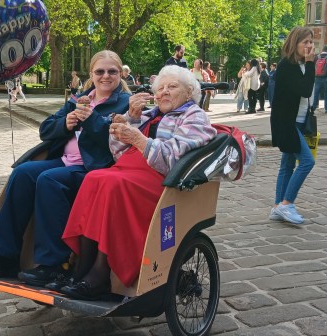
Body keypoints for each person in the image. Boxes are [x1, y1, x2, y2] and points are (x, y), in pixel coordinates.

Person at [58, 65, 217, 300]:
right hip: (131, 172)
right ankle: (84, 266)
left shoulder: (194, 116)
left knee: (112, 183)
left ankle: (101, 273)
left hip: (164, 182)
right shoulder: (149, 114)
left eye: (172, 87)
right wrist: (129, 122)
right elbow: (118, 153)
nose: (163, 92)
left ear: (189, 91)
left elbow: (173, 159)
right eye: (160, 88)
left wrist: (138, 139)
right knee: (94, 179)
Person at [0, 50, 131, 285]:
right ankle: (4, 255)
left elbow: (115, 140)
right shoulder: (80, 98)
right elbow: (45, 129)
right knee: (22, 173)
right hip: (65, 161)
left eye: (112, 71)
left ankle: (54, 264)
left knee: (50, 179)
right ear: (91, 74)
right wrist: (65, 124)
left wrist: (90, 120)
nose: (106, 76)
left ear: (121, 74)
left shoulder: (125, 103)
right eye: (100, 71)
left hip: (96, 168)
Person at [269, 26, 316, 225]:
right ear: (294, 43)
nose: (309, 46)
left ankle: (277, 206)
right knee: (307, 161)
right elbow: (305, 90)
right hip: (287, 123)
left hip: (297, 121)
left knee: (287, 165)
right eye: (305, 42)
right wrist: (311, 64)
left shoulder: (298, 64)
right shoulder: (288, 66)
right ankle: (287, 204)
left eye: (311, 42)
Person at [310, 45, 327, 114]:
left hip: (317, 78)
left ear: (322, 49)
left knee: (316, 93)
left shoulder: (316, 57)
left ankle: (313, 108)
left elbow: (312, 67)